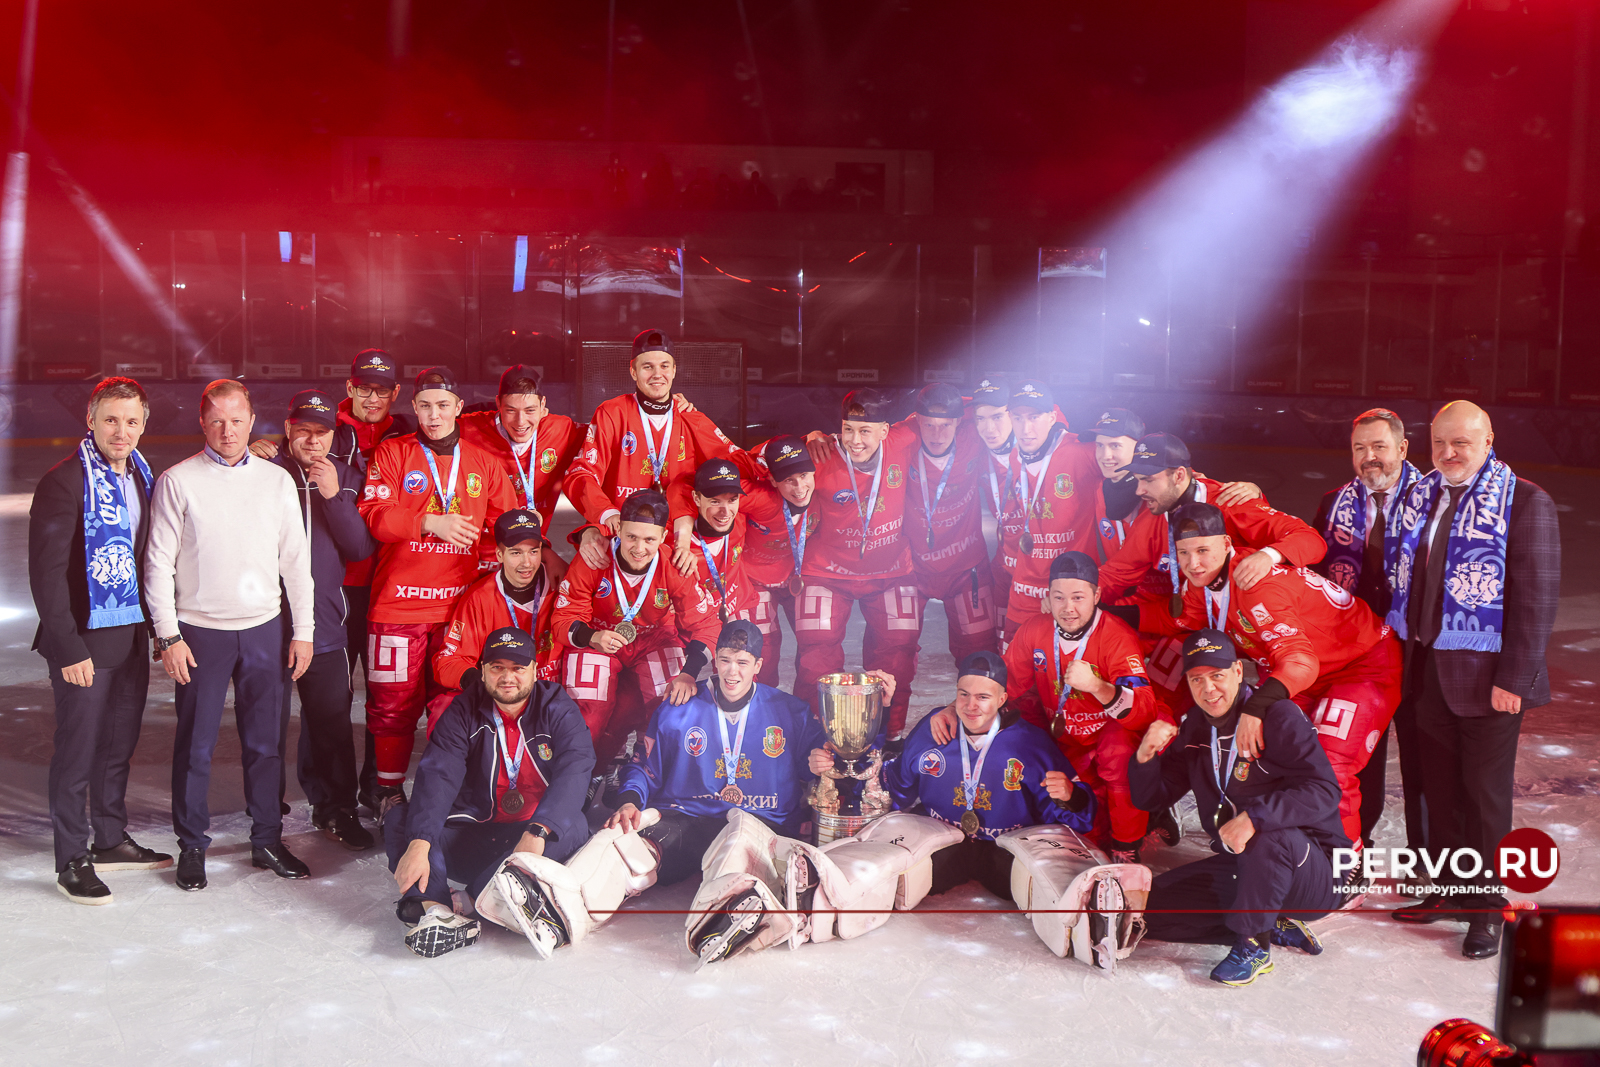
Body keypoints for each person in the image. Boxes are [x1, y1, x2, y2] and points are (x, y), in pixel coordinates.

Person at [1388, 401, 1559, 960]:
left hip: (1489, 681)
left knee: (1484, 799)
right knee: (1439, 794)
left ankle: (1485, 910)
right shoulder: (1423, 495)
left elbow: (1536, 600)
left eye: (1461, 442)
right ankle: (1449, 892)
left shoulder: (1525, 501)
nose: (1448, 453)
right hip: (1427, 672)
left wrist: (1515, 677)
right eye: (1439, 442)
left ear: (1488, 440)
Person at [145, 379, 316, 891]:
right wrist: (168, 635)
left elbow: (296, 561)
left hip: (264, 629)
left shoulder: (276, 481)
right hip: (200, 633)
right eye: (217, 420)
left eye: (237, 420)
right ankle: (192, 845)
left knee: (265, 745)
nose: (227, 430)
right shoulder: (178, 481)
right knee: (195, 746)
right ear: (202, 422)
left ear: (252, 421)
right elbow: (157, 563)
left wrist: (303, 630)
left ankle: (267, 839)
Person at [1165, 502, 1401, 852]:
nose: (1193, 563)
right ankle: (1283, 849)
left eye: (1202, 551)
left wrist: (1255, 708)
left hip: (1360, 664)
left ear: (1227, 544)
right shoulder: (1203, 584)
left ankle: (1344, 864)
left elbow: (1301, 662)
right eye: (1184, 553)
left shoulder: (1257, 587)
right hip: (1300, 669)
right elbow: (1173, 622)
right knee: (1264, 755)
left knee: (1328, 764)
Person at [1130, 630, 1346, 987]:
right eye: (1196, 679)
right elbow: (1152, 799)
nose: (1208, 689)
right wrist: (1145, 757)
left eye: (1217, 675)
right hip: (1247, 866)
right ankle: (1271, 921)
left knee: (1265, 833)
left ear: (1237, 671)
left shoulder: (1278, 716)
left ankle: (1253, 944)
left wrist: (1254, 818)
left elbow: (1324, 790)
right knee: (1150, 912)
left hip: (1313, 870)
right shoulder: (1195, 726)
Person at [29, 377, 171, 904]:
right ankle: (71, 857)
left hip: (129, 635)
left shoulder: (143, 477)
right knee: (77, 752)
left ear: (143, 426)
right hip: (85, 642)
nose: (121, 431)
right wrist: (68, 647)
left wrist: (154, 629)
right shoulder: (64, 481)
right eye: (111, 419)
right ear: (90, 420)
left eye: (132, 421)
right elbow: (45, 575)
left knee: (116, 748)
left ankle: (109, 839)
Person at [357, 366, 516, 811]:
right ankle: (388, 794)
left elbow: (505, 529)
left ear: (458, 407)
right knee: (392, 708)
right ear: (414, 406)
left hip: (458, 612)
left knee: (456, 703)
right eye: (425, 406)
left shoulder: (484, 462)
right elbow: (375, 516)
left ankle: (449, 794)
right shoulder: (393, 453)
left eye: (443, 405)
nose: (433, 415)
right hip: (397, 608)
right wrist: (429, 522)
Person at [386, 628, 595, 958]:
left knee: (574, 826)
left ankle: (465, 902)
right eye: (497, 667)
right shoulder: (463, 709)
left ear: (535, 671)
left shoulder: (556, 706)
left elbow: (576, 769)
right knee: (402, 819)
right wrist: (420, 842)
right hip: (475, 833)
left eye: (518, 668)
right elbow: (439, 774)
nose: (507, 677)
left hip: (530, 838)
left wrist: (538, 831)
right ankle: (438, 910)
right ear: (482, 671)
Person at [1000, 551, 1172, 860]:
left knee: (1118, 752)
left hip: (1111, 736)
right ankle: (1145, 816)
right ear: (1048, 597)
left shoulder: (1117, 637)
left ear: (1096, 595)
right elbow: (1003, 686)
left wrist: (1097, 686)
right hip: (1068, 738)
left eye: (1078, 597)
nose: (1068, 608)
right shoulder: (1035, 630)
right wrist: (958, 707)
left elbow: (1143, 712)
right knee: (1086, 834)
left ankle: (1128, 846)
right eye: (1059, 597)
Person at [882, 650, 1096, 895]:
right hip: (943, 842)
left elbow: (1074, 821)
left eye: (983, 697)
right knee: (892, 880)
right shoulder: (934, 730)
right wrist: (879, 717)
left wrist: (1071, 796)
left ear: (1002, 699)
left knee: (1047, 888)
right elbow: (896, 787)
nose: (971, 706)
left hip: (1004, 848)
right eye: (964, 694)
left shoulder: (1030, 743)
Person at [1311, 407, 1423, 851]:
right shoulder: (1332, 503)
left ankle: (1424, 856)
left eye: (1379, 446)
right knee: (1362, 753)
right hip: (1356, 652)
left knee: (1420, 757)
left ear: (1402, 448)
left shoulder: (1432, 499)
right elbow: (1313, 572)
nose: (1369, 456)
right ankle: (1360, 841)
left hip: (1415, 649)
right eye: (1360, 448)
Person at [271, 390, 377, 850]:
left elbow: (359, 548)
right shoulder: (264, 470)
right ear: (288, 429)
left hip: (326, 620)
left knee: (332, 720)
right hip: (267, 620)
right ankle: (265, 812)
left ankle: (337, 808)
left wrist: (334, 497)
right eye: (304, 431)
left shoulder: (347, 476)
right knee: (266, 723)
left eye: (322, 432)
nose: (313, 441)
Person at [551, 489, 720, 768]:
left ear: (663, 537)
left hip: (655, 639)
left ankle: (650, 772)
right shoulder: (594, 557)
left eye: (649, 539)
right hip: (599, 637)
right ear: (618, 530)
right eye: (631, 537)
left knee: (671, 708)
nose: (639, 548)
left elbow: (707, 625)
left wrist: (689, 674)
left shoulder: (675, 564)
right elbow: (563, 617)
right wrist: (592, 636)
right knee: (588, 714)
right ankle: (582, 773)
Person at [793, 388, 922, 734]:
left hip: (891, 571)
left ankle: (887, 738)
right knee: (815, 660)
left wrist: (1050, 413)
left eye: (865, 431)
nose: (855, 440)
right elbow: (766, 458)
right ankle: (815, 740)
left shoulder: (904, 438)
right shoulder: (821, 453)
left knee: (897, 659)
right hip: (826, 571)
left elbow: (949, 407)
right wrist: (809, 438)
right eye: (847, 429)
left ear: (885, 430)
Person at [564, 328, 738, 570]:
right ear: (633, 371)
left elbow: (738, 463)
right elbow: (581, 474)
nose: (657, 374)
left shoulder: (690, 418)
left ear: (674, 370)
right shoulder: (612, 413)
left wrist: (788, 453)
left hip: (676, 546)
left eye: (664, 366)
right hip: (623, 539)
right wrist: (603, 515)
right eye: (648, 367)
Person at [995, 380, 1101, 643]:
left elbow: (1131, 456)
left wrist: (1193, 481)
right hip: (1024, 588)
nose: (1025, 428)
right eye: (1018, 418)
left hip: (1068, 589)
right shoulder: (1015, 455)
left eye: (1034, 417)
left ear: (1052, 417)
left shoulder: (1081, 450)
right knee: (1013, 662)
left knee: (1066, 664)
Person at [458, 363, 585, 580]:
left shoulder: (562, 430)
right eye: (510, 410)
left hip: (528, 555)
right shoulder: (468, 429)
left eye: (530, 410)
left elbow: (609, 442)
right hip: (476, 558)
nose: (520, 422)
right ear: (498, 404)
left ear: (543, 405)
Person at [903, 383, 998, 666]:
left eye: (945, 425)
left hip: (966, 568)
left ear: (958, 420)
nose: (937, 434)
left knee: (980, 657)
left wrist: (1058, 423)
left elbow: (1014, 406)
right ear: (917, 419)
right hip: (912, 569)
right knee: (893, 652)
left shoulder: (973, 436)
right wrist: (815, 441)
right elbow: (862, 436)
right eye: (929, 424)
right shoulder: (902, 439)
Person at [433, 509, 561, 704]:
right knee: (444, 707)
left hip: (554, 694)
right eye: (516, 553)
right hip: (502, 695)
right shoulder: (479, 598)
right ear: (499, 555)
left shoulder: (561, 585)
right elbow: (447, 661)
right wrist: (485, 683)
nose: (527, 563)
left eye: (533, 552)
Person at [729, 434, 815, 686]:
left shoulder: (823, 491)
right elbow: (712, 487)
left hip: (796, 577)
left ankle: (809, 707)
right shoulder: (761, 498)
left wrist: (815, 438)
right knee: (761, 648)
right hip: (754, 580)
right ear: (773, 480)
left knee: (816, 642)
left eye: (804, 475)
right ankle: (760, 703)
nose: (799, 488)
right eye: (788, 480)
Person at [671, 458, 757, 630]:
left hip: (738, 606)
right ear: (696, 498)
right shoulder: (672, 539)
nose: (725, 512)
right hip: (695, 622)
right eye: (715, 501)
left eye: (732, 500)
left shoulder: (742, 516)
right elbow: (679, 484)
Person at [970, 378, 1016, 633]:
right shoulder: (979, 454)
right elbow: (941, 405)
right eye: (980, 419)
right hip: (1003, 561)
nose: (988, 428)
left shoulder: (1039, 448)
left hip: (1042, 565)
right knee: (1002, 639)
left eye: (997, 417)